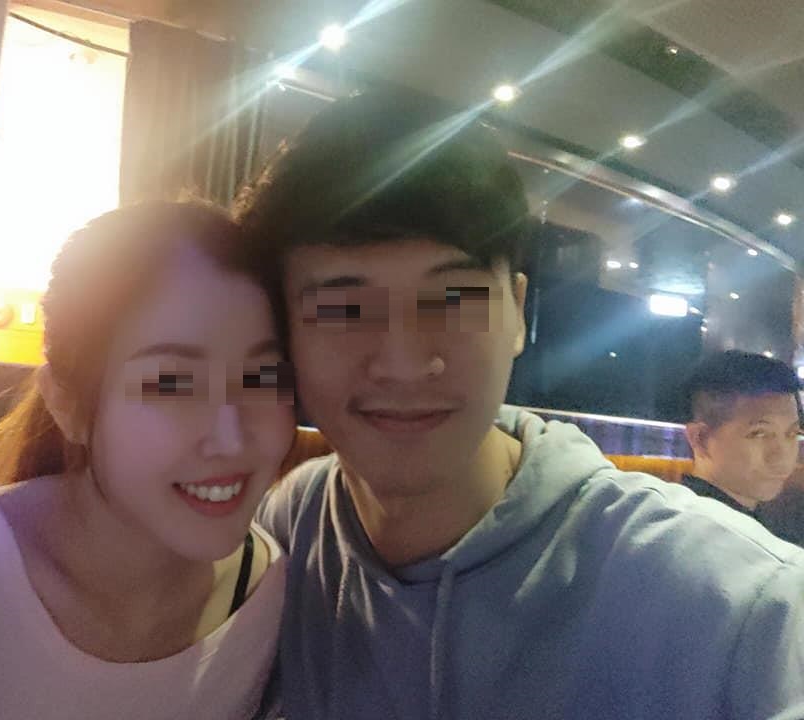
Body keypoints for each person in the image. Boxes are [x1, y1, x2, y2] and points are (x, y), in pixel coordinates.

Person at [234, 89, 804, 720]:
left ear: (517, 312)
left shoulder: (742, 605)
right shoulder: (294, 525)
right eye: (343, 308)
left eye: (453, 298)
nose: (401, 361)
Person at [0, 200, 295, 719]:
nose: (231, 437)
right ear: (67, 405)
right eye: (173, 384)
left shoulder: (273, 596)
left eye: (264, 378)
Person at [682, 350, 803, 545]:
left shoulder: (762, 525)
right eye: (760, 434)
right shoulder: (693, 535)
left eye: (792, 433)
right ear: (701, 439)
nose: (782, 456)